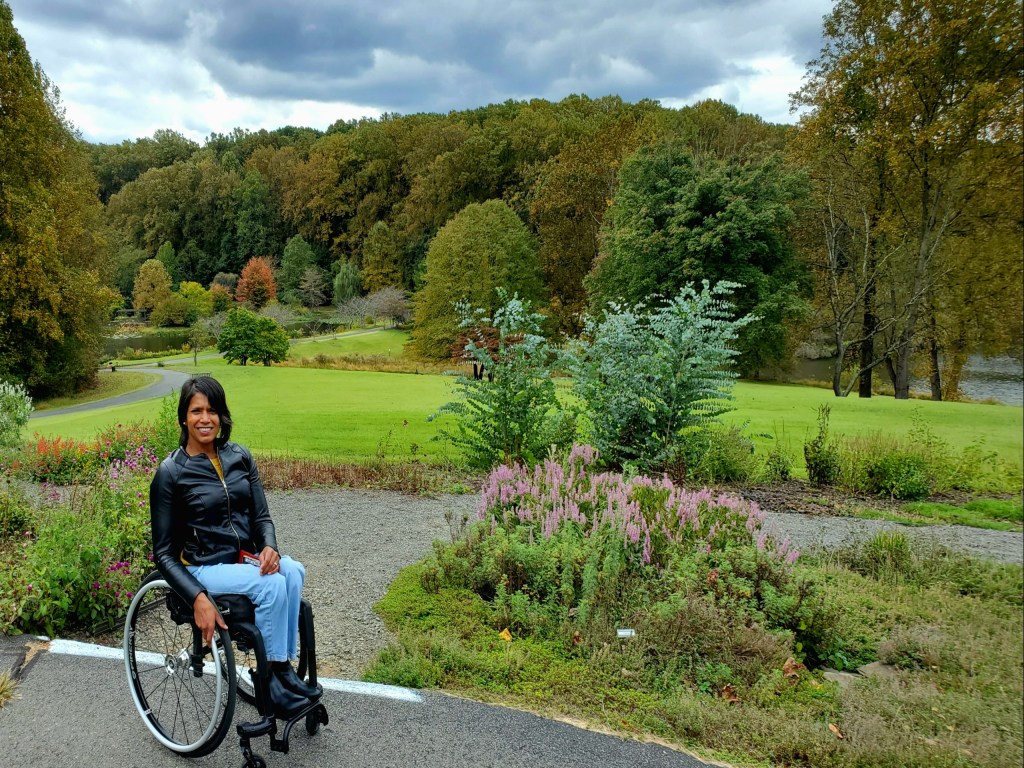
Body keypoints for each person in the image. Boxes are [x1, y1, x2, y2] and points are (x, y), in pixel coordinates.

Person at [150, 375, 321, 719]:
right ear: (183, 418)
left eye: (212, 410)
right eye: (196, 410)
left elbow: (261, 517)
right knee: (272, 585)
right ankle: (269, 682)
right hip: (203, 566)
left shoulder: (239, 457)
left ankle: (282, 672)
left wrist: (269, 547)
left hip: (240, 560)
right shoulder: (171, 473)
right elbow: (164, 553)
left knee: (292, 570)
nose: (205, 418)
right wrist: (197, 597)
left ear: (221, 416)